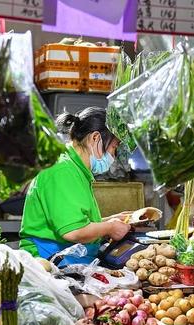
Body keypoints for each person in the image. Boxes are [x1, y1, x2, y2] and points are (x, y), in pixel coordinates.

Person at [19, 107, 132, 263]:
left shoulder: (75, 169)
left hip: (68, 262)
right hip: (49, 263)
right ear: (95, 138)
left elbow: (75, 221)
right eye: (114, 147)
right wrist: (110, 227)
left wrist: (110, 220)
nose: (113, 155)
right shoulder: (62, 170)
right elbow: (74, 230)